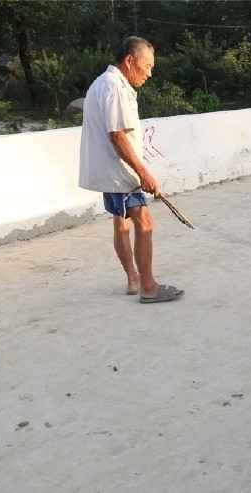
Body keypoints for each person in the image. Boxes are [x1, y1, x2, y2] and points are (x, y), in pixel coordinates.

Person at [79, 36, 184, 303]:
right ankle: (148, 287)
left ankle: (133, 280)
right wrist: (143, 173)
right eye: (146, 66)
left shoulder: (101, 83)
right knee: (145, 222)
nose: (149, 73)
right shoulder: (115, 87)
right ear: (129, 60)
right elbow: (117, 136)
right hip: (121, 171)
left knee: (122, 224)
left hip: (111, 170)